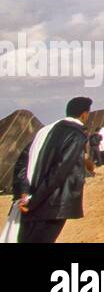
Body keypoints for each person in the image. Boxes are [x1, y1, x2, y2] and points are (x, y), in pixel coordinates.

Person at [3, 96, 92, 243]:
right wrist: (34, 202)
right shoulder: (76, 134)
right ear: (84, 114)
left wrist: (24, 192)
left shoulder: (44, 131)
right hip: (53, 204)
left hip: (31, 199)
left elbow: (22, 162)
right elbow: (60, 172)